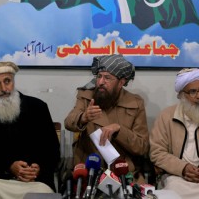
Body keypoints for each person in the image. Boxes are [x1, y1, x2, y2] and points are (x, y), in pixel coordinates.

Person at [0, 61, 60, 199]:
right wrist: (8, 167)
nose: (4, 88)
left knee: (44, 194)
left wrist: (37, 168)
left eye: (7, 81)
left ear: (13, 81)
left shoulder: (38, 108)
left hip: (35, 180)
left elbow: (53, 151)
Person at [64, 54, 149, 183]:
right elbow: (68, 122)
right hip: (90, 169)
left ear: (121, 82)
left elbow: (142, 147)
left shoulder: (135, 103)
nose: (100, 82)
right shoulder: (86, 96)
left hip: (124, 172)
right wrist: (83, 117)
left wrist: (119, 130)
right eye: (99, 76)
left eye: (107, 78)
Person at [150, 68, 199, 199]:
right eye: (193, 91)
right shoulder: (166, 116)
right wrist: (183, 168)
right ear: (182, 95)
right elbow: (157, 152)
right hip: (178, 179)